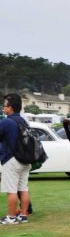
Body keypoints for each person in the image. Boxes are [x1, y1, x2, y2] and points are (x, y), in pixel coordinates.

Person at [0, 94, 32, 225]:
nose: (3, 108)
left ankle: (11, 217)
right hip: (25, 160)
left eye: (5, 105)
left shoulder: (6, 122)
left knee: (11, 191)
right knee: (23, 188)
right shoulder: (23, 121)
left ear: (11, 108)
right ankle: (23, 215)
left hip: (12, 160)